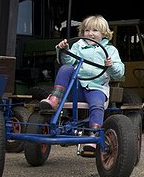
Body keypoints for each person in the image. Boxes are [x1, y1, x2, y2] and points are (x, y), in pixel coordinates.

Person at [40, 15, 125, 153]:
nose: (90, 33)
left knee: (97, 105)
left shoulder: (110, 50)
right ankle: (54, 99)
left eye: (95, 30)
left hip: (96, 88)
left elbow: (119, 72)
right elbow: (67, 61)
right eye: (87, 30)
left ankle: (93, 136)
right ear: (82, 32)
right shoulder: (78, 46)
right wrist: (64, 50)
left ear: (103, 33)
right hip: (77, 88)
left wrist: (110, 65)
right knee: (66, 68)